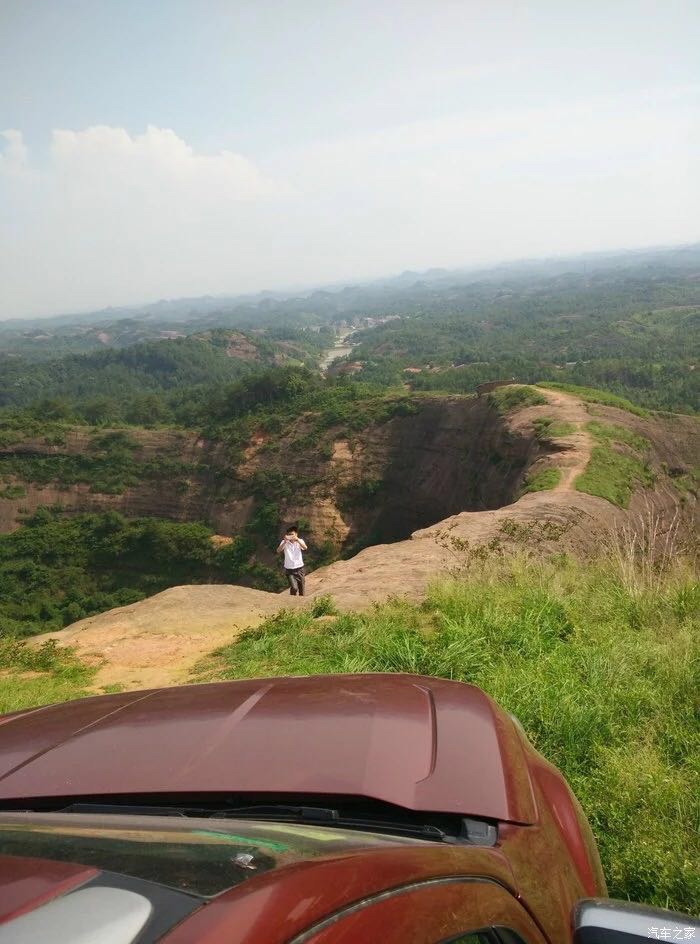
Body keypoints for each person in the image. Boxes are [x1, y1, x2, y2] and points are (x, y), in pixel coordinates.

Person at [277, 526, 308, 596]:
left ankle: (300, 604)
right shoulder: (284, 542)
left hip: (300, 569)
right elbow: (278, 550)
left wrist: (297, 540)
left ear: (296, 534)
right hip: (289, 570)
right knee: (294, 588)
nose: (290, 536)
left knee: (302, 592)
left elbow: (305, 547)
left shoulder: (300, 541)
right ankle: (291, 600)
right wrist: (285, 542)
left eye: (292, 534)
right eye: (289, 534)